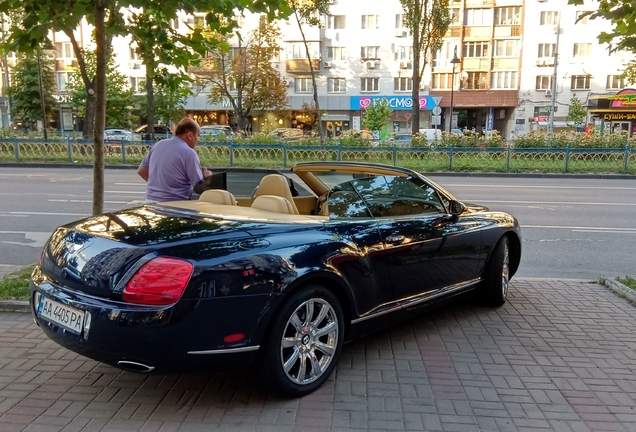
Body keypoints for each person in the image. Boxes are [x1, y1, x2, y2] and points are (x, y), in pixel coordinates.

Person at [138, 118, 212, 202]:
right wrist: (208, 178)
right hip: (175, 204)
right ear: (190, 135)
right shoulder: (189, 153)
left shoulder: (158, 145)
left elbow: (142, 171)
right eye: (198, 135)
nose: (198, 139)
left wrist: (161, 186)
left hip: (150, 201)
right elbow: (199, 188)